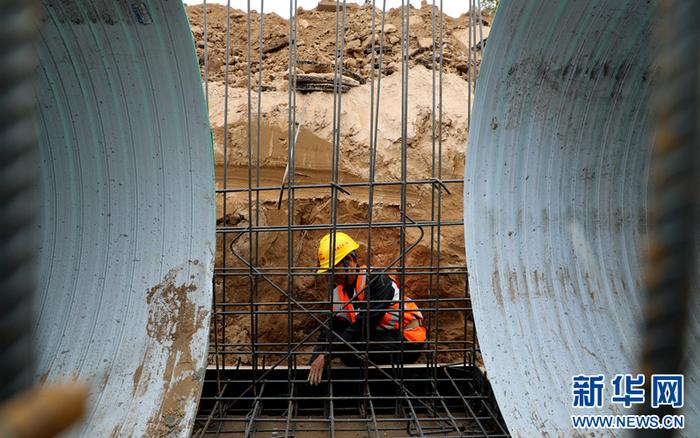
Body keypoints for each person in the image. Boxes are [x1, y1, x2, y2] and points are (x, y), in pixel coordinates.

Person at [308, 231, 426, 385]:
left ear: (350, 261)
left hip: (407, 339)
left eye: (334, 269)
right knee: (346, 348)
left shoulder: (377, 281)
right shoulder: (338, 294)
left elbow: (364, 324)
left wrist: (328, 355)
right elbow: (329, 330)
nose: (331, 276)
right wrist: (314, 360)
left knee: (351, 352)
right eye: (328, 271)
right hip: (380, 336)